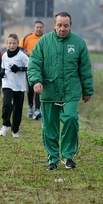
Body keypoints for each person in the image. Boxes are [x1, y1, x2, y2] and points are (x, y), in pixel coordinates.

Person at [27, 12, 94, 170]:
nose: (62, 29)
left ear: (70, 26)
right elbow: (34, 63)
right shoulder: (44, 41)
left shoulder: (79, 43)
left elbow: (85, 68)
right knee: (50, 125)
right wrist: (36, 81)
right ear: (54, 25)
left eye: (66, 25)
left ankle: (68, 155)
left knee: (71, 118)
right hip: (50, 89)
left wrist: (87, 89)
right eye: (59, 25)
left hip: (71, 90)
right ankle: (53, 158)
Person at [0, 34, 29, 138]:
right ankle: (5, 124)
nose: (12, 45)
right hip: (7, 83)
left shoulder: (22, 56)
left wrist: (19, 69)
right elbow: (3, 67)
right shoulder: (4, 55)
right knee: (6, 104)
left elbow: (30, 67)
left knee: (17, 108)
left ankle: (15, 130)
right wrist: (1, 73)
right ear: (7, 43)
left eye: (14, 43)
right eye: (10, 43)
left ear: (17, 44)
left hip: (19, 85)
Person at [19, 21, 44, 119]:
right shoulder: (27, 38)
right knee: (30, 89)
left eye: (40, 27)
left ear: (43, 28)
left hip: (42, 66)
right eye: (37, 27)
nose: (39, 29)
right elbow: (20, 51)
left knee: (39, 87)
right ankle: (30, 106)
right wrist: (29, 54)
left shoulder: (45, 38)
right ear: (34, 28)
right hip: (30, 66)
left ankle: (38, 109)